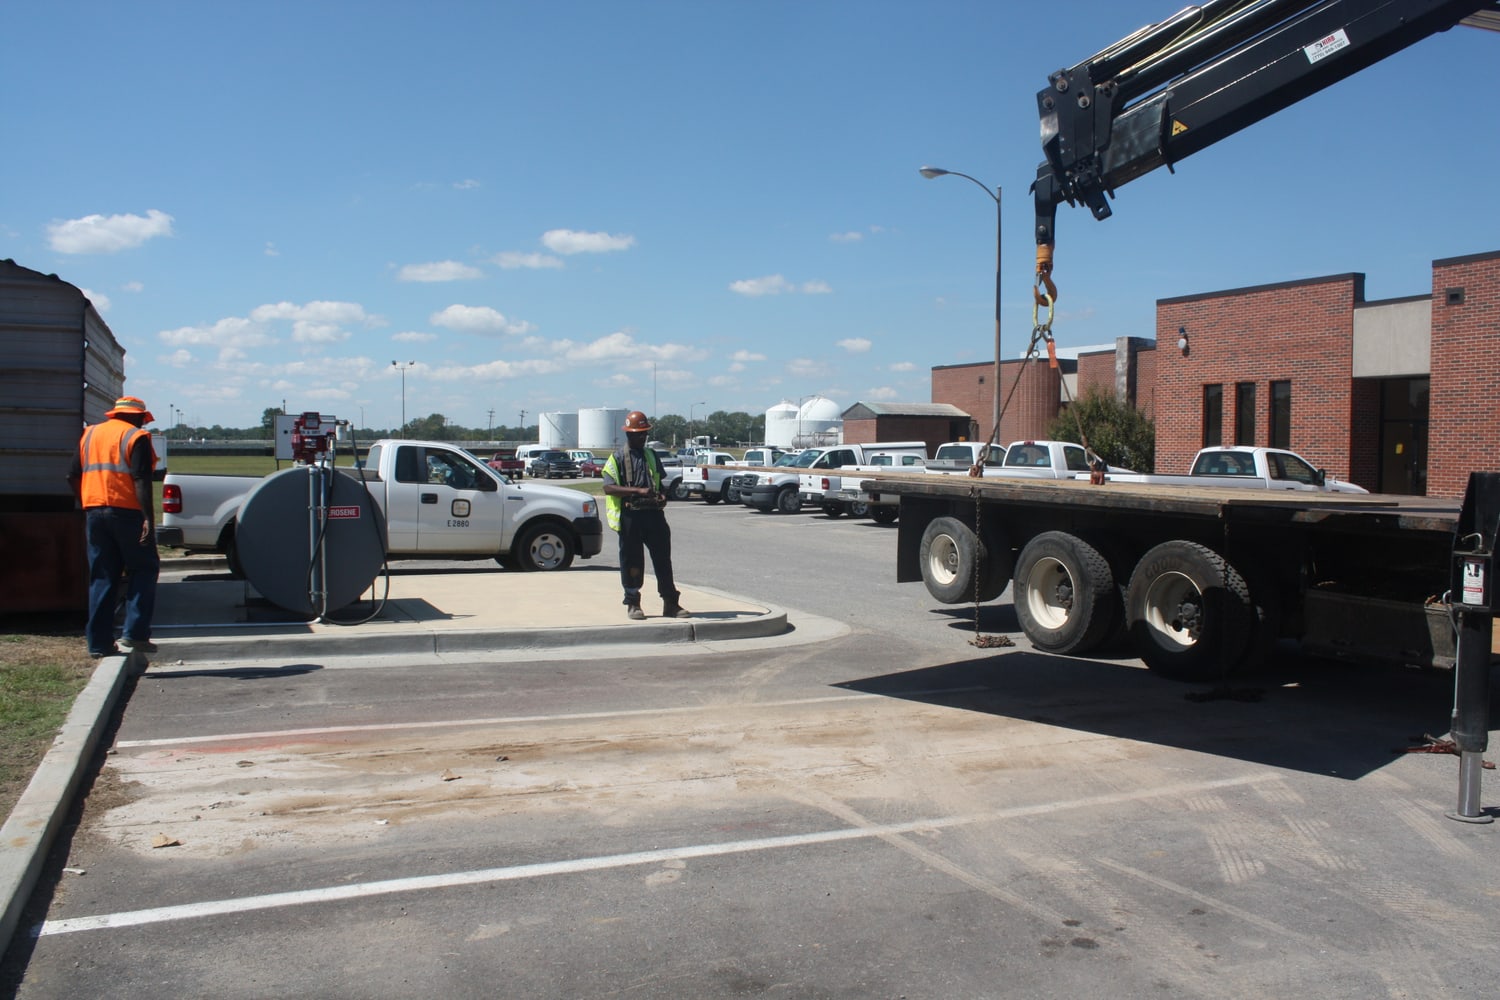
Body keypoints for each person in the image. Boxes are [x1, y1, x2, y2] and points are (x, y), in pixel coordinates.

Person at [68, 395, 160, 658]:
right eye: (142, 420)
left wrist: (87, 501)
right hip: (128, 512)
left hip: (95, 511)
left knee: (103, 576)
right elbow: (141, 479)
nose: (143, 425)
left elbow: (71, 475)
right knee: (143, 568)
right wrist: (148, 518)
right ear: (136, 417)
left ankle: (98, 644)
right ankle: (135, 633)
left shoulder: (89, 434)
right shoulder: (135, 438)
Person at [601, 411, 688, 620]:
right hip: (631, 516)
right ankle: (633, 603)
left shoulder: (651, 455)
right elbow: (608, 488)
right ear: (629, 434)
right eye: (638, 434)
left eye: (644, 433)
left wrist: (663, 496)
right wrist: (637, 491)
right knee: (632, 561)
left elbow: (660, 483)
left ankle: (670, 603)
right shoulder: (618, 457)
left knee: (662, 560)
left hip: (654, 515)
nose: (642, 437)